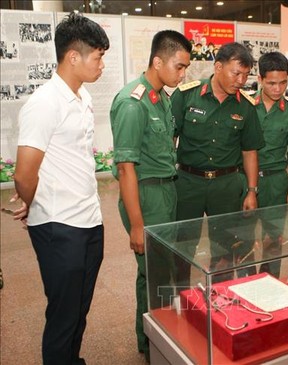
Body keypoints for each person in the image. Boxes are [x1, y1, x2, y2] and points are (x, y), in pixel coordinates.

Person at [13, 12, 109, 365]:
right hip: (59, 226)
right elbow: (24, 174)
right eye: (97, 57)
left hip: (88, 220)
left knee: (79, 308)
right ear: (74, 57)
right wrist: (34, 202)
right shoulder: (44, 102)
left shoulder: (81, 98)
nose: (101, 65)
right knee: (62, 314)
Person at [109, 30, 191, 361]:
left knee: (163, 270)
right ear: (157, 61)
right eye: (179, 66)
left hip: (167, 191)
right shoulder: (132, 103)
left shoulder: (162, 97)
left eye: (186, 67)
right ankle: (151, 342)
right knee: (153, 274)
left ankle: (164, 331)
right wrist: (137, 225)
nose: (183, 74)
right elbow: (126, 169)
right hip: (147, 196)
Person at [171, 42, 265, 283]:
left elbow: (250, 151)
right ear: (218, 66)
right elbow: (169, 140)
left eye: (246, 74)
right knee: (183, 244)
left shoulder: (246, 106)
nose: (241, 80)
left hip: (226, 185)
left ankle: (220, 296)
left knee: (225, 247)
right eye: (236, 73)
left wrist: (252, 191)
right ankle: (180, 297)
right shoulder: (186, 95)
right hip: (188, 183)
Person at [240, 51, 288, 278]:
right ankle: (246, 285)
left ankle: (269, 285)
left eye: (283, 83)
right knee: (243, 239)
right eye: (272, 83)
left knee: (274, 241)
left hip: (276, 182)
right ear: (260, 80)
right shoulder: (245, 105)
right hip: (245, 180)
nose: (278, 89)